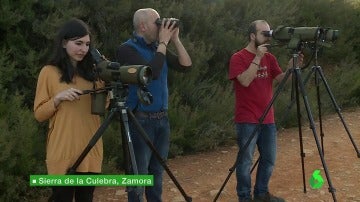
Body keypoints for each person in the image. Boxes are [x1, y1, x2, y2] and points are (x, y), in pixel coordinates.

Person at [115, 8, 192, 202]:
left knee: (157, 172)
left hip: (161, 119)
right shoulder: (127, 49)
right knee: (139, 174)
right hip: (140, 120)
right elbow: (151, 74)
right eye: (156, 23)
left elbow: (186, 66)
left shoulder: (158, 48)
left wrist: (174, 39)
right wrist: (164, 43)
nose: (161, 27)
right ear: (142, 26)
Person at [228, 20, 304, 202]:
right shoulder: (238, 57)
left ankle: (261, 194)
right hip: (247, 118)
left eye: (269, 33)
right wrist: (257, 58)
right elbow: (244, 81)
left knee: (269, 159)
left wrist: (292, 68)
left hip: (268, 117)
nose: (267, 37)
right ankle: (244, 197)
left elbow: (280, 79)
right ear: (252, 36)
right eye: (264, 34)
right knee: (245, 161)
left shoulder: (270, 58)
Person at [34, 18, 105, 202]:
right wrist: (57, 99)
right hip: (62, 154)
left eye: (87, 44)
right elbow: (39, 114)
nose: (83, 49)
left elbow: (102, 108)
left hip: (90, 152)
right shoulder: (49, 72)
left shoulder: (95, 74)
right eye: (78, 43)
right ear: (64, 42)